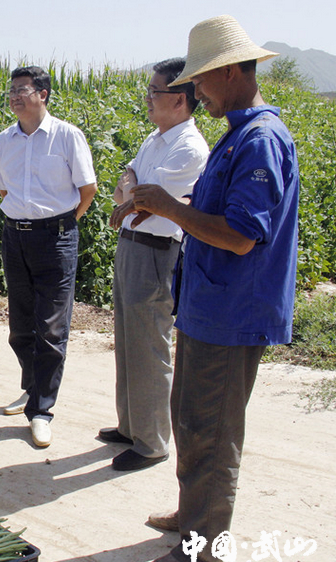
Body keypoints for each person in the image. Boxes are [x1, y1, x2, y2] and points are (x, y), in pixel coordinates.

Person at [129, 16, 298, 562]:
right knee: (190, 419)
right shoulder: (239, 133)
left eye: (200, 79)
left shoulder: (260, 140)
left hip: (232, 313)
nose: (196, 91)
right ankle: (192, 516)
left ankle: (200, 552)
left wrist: (167, 207)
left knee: (212, 433)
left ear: (228, 72)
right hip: (208, 306)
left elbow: (242, 235)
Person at [102, 58, 209, 472]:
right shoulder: (156, 138)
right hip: (131, 243)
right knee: (128, 340)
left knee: (149, 345)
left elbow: (146, 198)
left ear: (179, 99)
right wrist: (134, 191)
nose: (147, 98)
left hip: (156, 250)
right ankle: (131, 426)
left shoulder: (189, 147)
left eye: (154, 91)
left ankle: (152, 443)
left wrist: (135, 194)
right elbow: (125, 192)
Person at [0, 66, 97, 448]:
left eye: (23, 89)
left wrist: (60, 225)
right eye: (12, 90)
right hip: (15, 238)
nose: (15, 96)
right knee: (20, 327)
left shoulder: (67, 136)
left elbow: (87, 189)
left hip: (56, 239)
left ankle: (41, 411)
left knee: (51, 328)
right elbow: (3, 191)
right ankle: (33, 387)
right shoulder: (4, 140)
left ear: (43, 94)